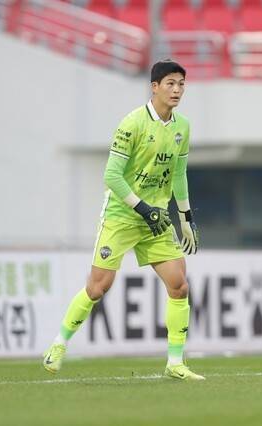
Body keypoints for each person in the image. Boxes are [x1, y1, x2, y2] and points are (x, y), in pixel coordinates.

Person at [42, 60, 203, 380]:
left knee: (179, 285)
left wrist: (185, 216)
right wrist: (143, 208)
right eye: (170, 83)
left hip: (157, 219)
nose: (177, 90)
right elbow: (112, 176)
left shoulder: (182, 126)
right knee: (98, 287)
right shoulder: (132, 123)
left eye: (181, 84)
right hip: (122, 215)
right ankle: (59, 343)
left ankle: (175, 363)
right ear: (154, 87)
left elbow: (178, 174)